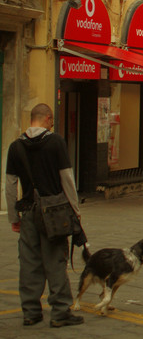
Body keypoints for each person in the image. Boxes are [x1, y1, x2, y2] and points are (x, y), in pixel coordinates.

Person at [5, 104, 84, 328]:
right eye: (51, 120)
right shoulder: (56, 142)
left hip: (29, 210)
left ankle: (30, 312)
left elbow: (10, 186)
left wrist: (14, 217)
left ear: (32, 120)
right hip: (55, 212)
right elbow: (67, 179)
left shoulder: (15, 147)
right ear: (47, 119)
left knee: (29, 262)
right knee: (55, 261)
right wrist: (76, 212)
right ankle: (60, 312)